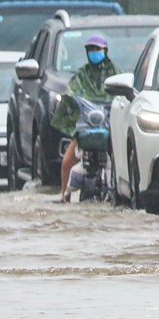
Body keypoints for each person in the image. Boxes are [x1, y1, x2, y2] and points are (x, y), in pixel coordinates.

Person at [51, 34, 119, 202]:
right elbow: (72, 91)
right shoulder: (81, 75)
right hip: (86, 127)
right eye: (91, 50)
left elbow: (122, 92)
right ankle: (63, 195)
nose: (94, 52)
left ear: (105, 51)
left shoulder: (115, 73)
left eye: (97, 49)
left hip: (109, 126)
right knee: (67, 161)